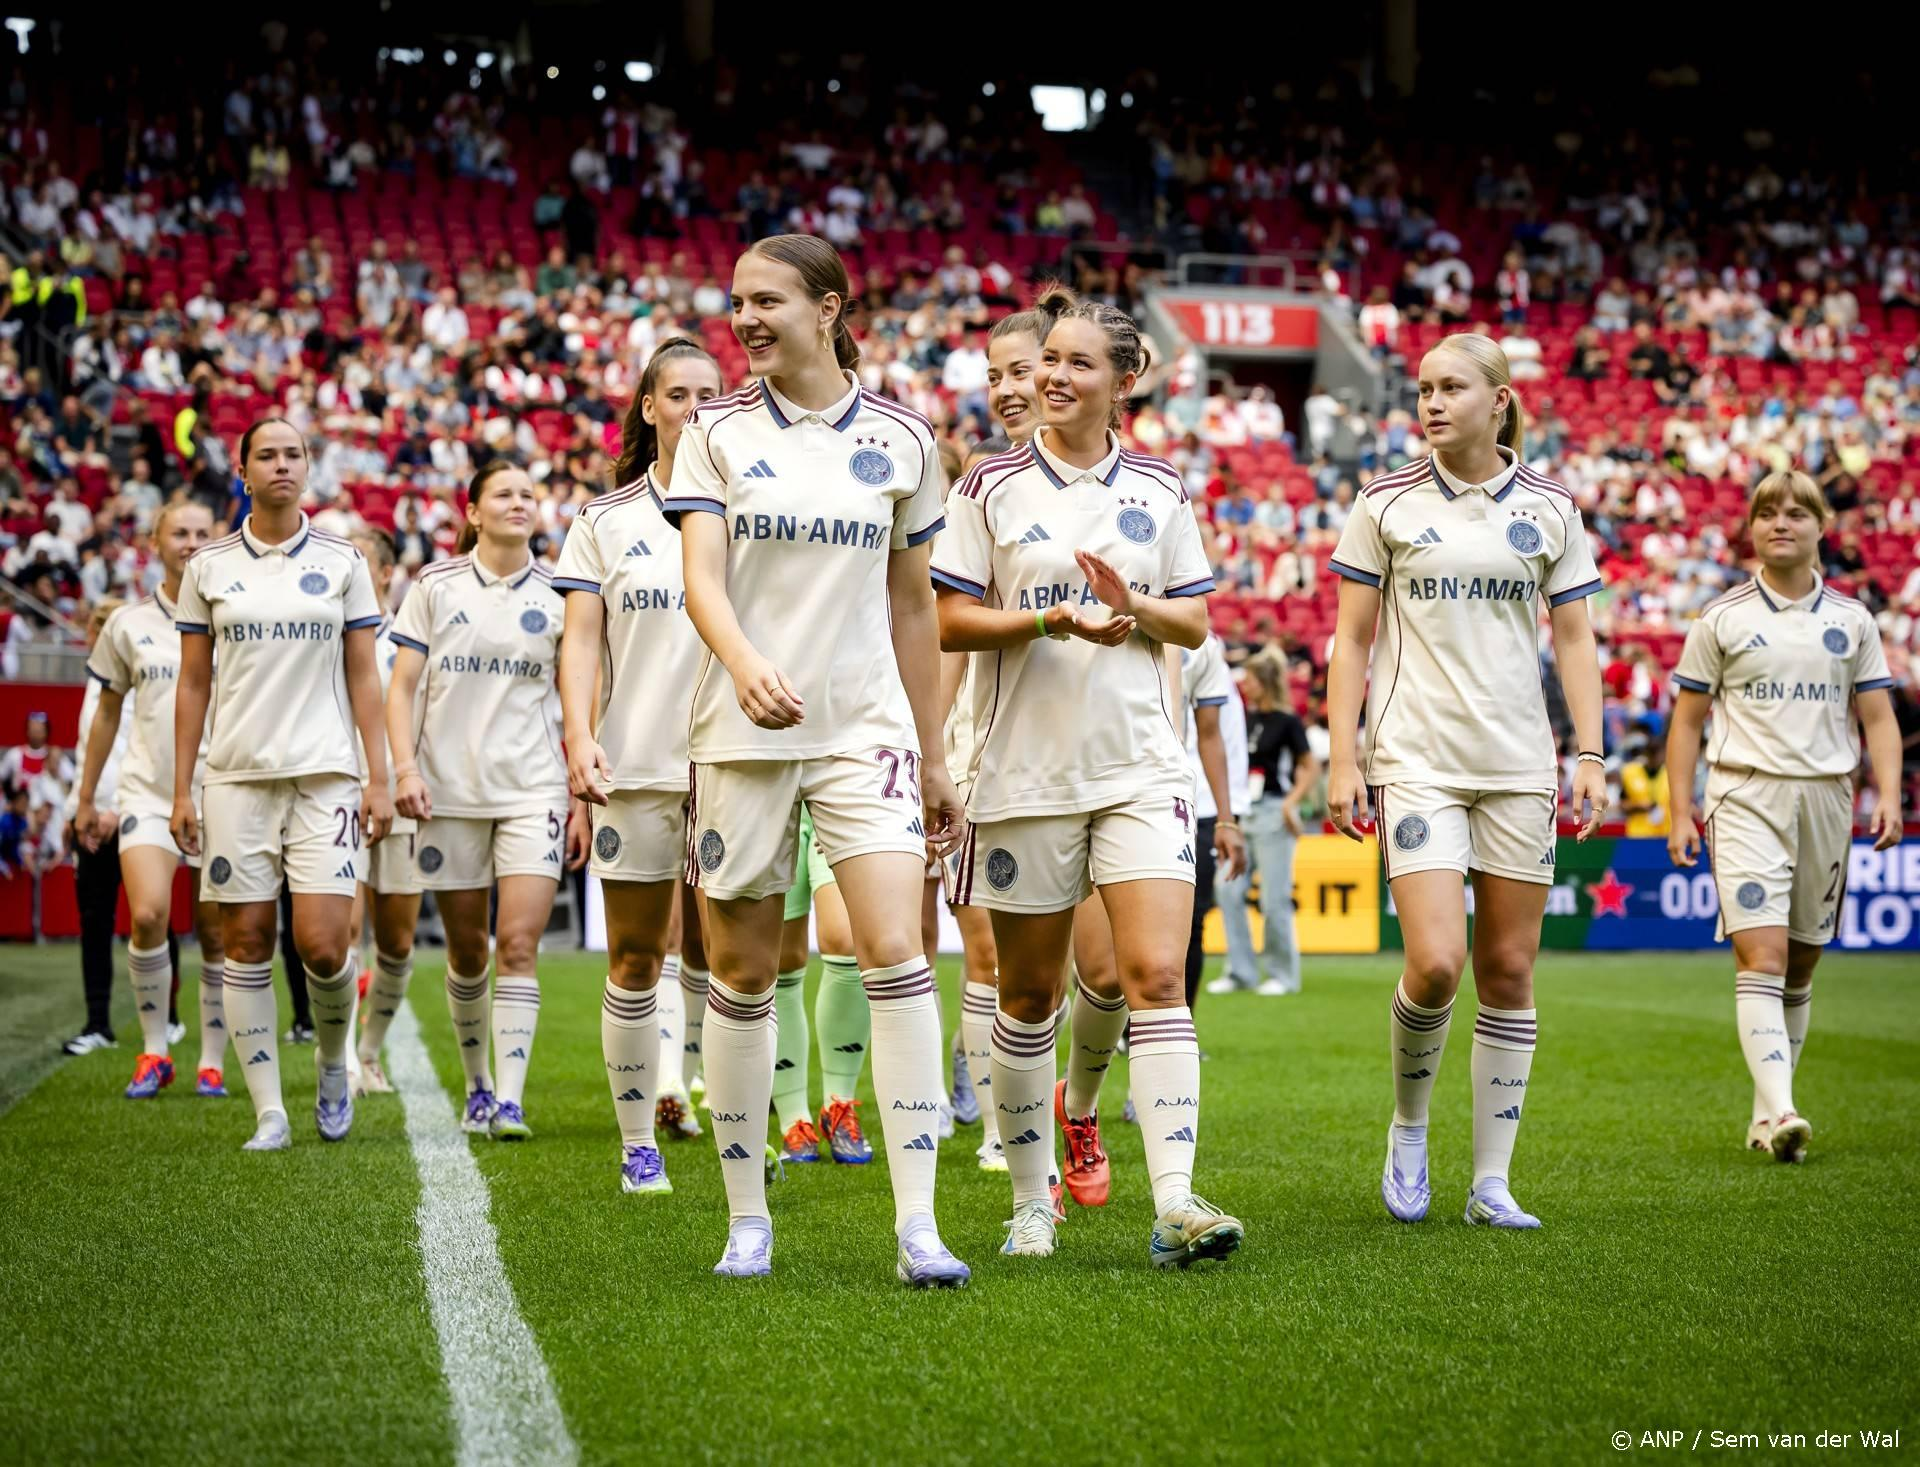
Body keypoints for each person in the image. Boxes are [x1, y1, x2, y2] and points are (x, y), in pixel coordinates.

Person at [663, 233, 968, 1286]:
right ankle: (748, 1217)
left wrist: (934, 753)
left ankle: (918, 1224)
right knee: (744, 974)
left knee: (895, 953)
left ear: (830, 307)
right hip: (742, 733)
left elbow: (913, 606)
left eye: (767, 301)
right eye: (736, 302)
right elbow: (703, 579)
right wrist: (743, 661)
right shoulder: (712, 435)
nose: (745, 320)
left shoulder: (904, 439)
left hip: (864, 733)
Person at [932, 290, 1244, 1268]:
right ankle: (1031, 1203)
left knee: (1155, 979)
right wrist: (1048, 621)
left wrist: (1135, 604)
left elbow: (1194, 625)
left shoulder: (1161, 487)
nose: (1052, 378)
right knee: (1028, 998)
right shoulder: (987, 487)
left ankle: (1178, 1200)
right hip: (1021, 777)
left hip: (1145, 772)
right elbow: (949, 621)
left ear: (1124, 380)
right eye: (1045, 362)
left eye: (1075, 364)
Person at [1325, 333, 1608, 1230]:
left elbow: (1574, 638)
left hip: (1520, 766)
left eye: (1452, 388)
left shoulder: (1553, 508)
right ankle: (1410, 1124)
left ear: (1499, 400)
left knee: (1511, 968)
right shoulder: (1384, 502)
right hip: (1416, 760)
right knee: (1437, 962)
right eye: (1423, 389)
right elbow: (1351, 641)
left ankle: (1491, 1181)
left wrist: (1590, 754)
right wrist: (1344, 755)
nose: (1432, 403)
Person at [1664, 471, 1903, 1163]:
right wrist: (1681, 809)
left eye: (1797, 513)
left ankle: (1767, 1112)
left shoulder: (1853, 621)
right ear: (1752, 527)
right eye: (1768, 512)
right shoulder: (1721, 618)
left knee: (1801, 963)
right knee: (1761, 955)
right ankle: (1787, 1107)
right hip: (1744, 794)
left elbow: (1878, 717)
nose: (1782, 523)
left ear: (1821, 526)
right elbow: (1686, 725)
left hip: (1826, 796)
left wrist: (1886, 792)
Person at [171, 419, 393, 1151]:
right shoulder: (208, 566)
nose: (280, 465)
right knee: (245, 938)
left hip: (326, 775)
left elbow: (366, 675)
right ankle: (269, 1109)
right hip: (235, 777)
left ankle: (334, 1063)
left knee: (324, 944)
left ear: (308, 468)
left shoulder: (343, 561)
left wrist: (379, 775)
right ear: (242, 471)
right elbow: (193, 684)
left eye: (292, 454)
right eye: (265, 454)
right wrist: (183, 788)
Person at [555, 337, 723, 1192]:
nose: (696, 405)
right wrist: (580, 738)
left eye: (710, 391)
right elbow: (580, 640)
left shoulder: (752, 511)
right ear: (649, 406)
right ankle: (637, 1143)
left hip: (735, 764)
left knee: (730, 958)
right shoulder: (605, 520)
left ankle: (711, 1109)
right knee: (633, 957)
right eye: (679, 392)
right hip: (637, 768)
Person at [388, 463, 586, 1140]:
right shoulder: (435, 587)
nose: (519, 503)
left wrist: (581, 799)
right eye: (503, 494)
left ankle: (510, 1098)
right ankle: (476, 1082)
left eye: (528, 495)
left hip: (534, 788)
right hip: (448, 792)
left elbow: (581, 701)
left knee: (518, 942)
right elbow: (402, 686)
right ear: (472, 511)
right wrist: (404, 768)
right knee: (468, 949)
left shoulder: (564, 593)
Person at [76, 501, 230, 1097]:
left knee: (215, 934)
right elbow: (107, 711)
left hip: (221, 788)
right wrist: (87, 797)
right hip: (147, 791)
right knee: (147, 916)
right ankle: (154, 1050)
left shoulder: (233, 616)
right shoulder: (127, 623)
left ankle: (211, 1061)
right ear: (155, 541)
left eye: (201, 533)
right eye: (179, 533)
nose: (191, 543)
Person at [345, 528, 422, 1095]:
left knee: (396, 941)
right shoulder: (327, 633)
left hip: (401, 795)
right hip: (339, 793)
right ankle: (343, 1056)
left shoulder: (415, 633)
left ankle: (370, 1052)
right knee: (342, 931)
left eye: (358, 558)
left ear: (386, 573)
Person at [1211, 651, 1316, 996]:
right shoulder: (1246, 717)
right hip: (1244, 814)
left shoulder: (1287, 721)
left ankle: (1282, 975)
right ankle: (1241, 972)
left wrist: (1291, 802)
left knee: (1274, 899)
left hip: (1272, 813)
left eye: (1251, 680)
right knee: (1227, 889)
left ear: (1265, 681)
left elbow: (1309, 766)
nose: (1245, 685)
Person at [63, 599, 132, 1056]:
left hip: (132, 815)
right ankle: (98, 1021)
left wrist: (116, 809)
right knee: (94, 921)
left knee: (151, 919)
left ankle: (166, 1020)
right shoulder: (92, 685)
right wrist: (78, 811)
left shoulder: (140, 683)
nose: (97, 637)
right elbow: (86, 755)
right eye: (95, 629)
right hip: (93, 819)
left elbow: (147, 752)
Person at [1179, 632, 1252, 1008]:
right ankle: (1123, 1021)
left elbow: (1227, 741)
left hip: (1203, 807)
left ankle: (1180, 1028)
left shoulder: (1207, 656)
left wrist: (1229, 817)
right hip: (1146, 796)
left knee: (1192, 923)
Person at [1618, 722, 1671, 837]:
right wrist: (1639, 806)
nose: (1654, 757)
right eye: (1651, 752)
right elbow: (1622, 804)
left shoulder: (1670, 775)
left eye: (1657, 752)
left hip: (1665, 835)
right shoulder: (1630, 772)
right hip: (1638, 835)